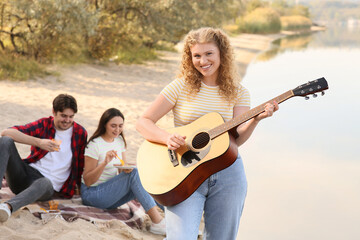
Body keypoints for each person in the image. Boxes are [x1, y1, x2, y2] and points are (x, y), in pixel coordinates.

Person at [136, 27, 279, 239]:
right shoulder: (180, 87)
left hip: (227, 173)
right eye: (197, 55)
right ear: (189, 57)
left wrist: (255, 120)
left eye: (209, 54)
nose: (203, 61)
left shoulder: (239, 92)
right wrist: (167, 138)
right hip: (183, 173)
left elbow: (237, 139)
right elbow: (143, 122)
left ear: (222, 53)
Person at [0, 93, 87, 222]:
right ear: (54, 112)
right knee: (5, 141)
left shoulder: (80, 133)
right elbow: (6, 132)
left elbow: (80, 163)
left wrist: (80, 187)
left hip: (45, 186)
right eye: (63, 116)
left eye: (71, 116)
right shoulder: (44, 124)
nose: (67, 120)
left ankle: (7, 207)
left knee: (45, 183)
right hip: (24, 175)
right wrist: (39, 142)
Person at [80, 108, 166, 235]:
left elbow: (122, 175)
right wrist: (104, 162)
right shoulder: (94, 145)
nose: (117, 130)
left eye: (120, 126)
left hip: (109, 195)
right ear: (104, 125)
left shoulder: (119, 141)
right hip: (92, 194)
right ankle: (157, 222)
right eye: (113, 126)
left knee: (139, 173)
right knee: (134, 174)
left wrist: (126, 168)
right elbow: (88, 181)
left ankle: (174, 218)